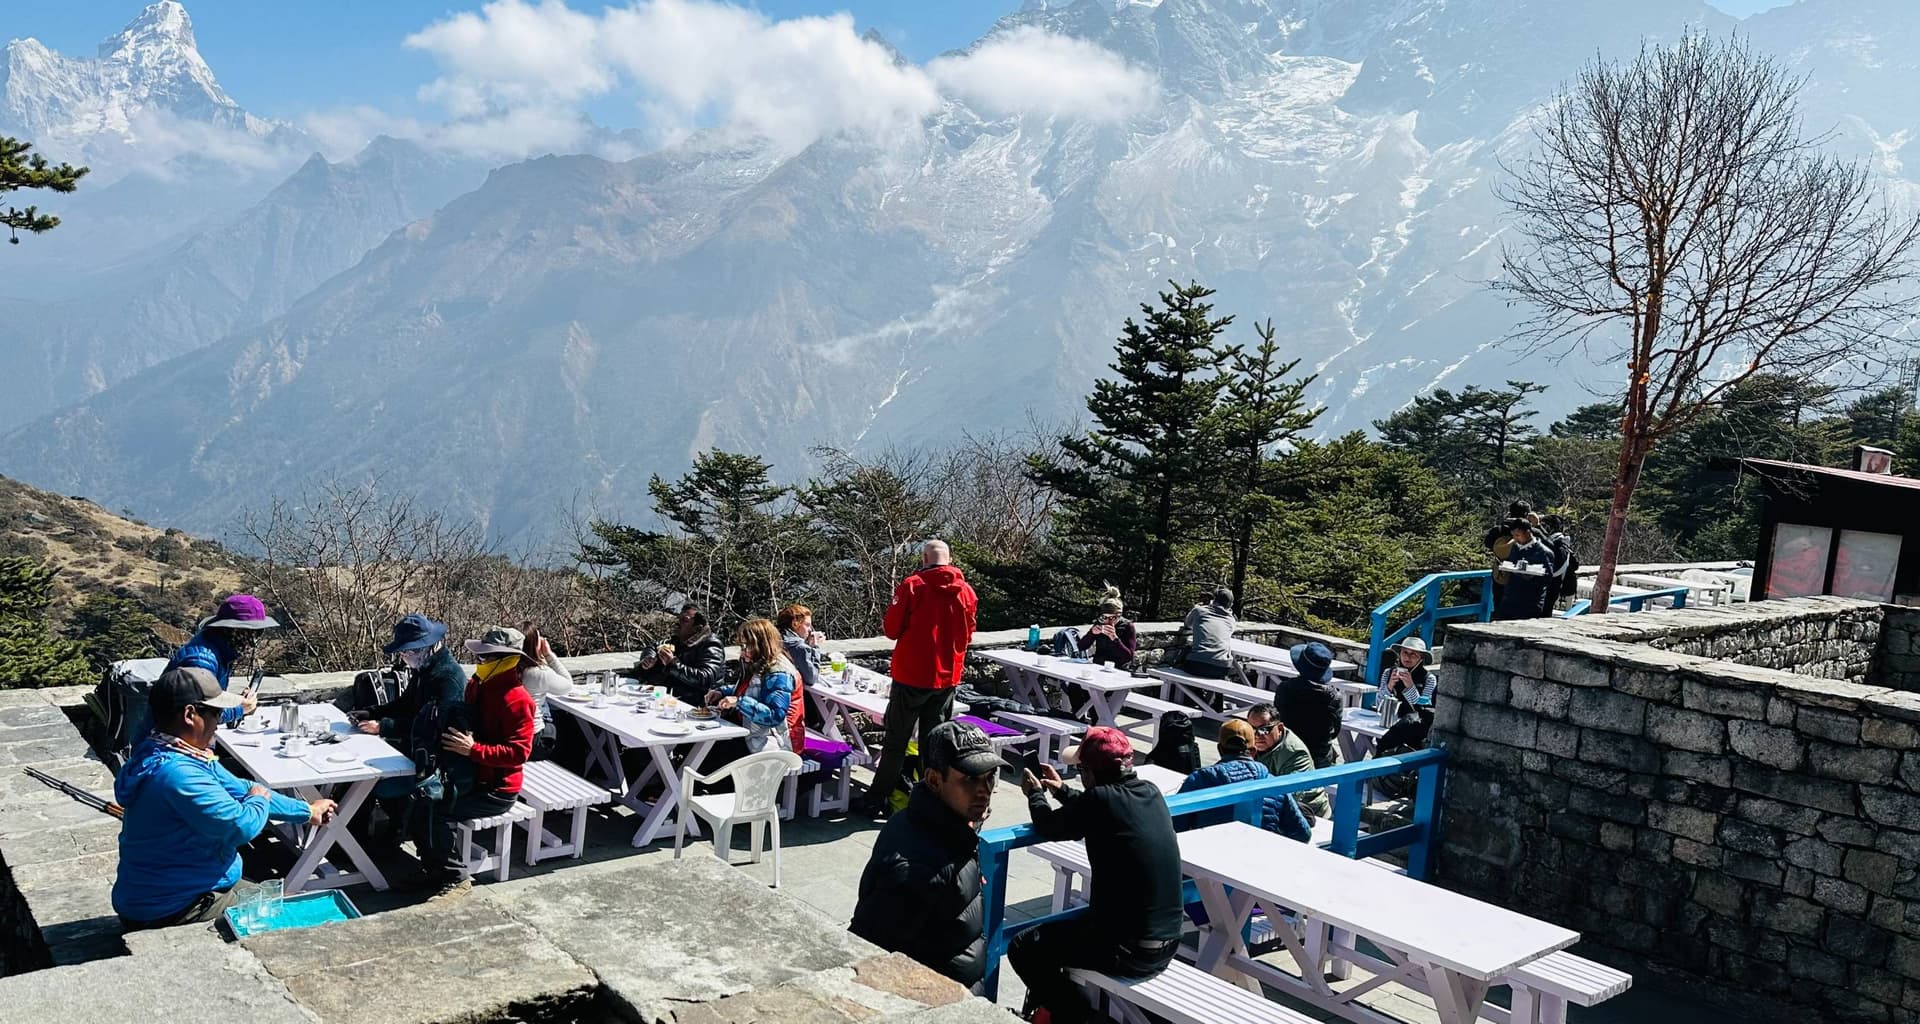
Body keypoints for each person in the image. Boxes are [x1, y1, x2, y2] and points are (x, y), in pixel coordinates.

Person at [112, 667, 336, 930]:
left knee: (275, 901)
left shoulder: (168, 750)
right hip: (172, 904)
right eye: (216, 713)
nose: (219, 722)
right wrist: (259, 801)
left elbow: (241, 788)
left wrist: (305, 810)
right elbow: (240, 826)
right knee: (294, 926)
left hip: (180, 885)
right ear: (190, 715)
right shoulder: (178, 774)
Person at [1011, 726, 1183, 1024]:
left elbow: (1049, 826)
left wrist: (1035, 795)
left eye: (1080, 769)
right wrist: (1062, 790)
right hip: (1168, 943)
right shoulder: (1150, 792)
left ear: (1091, 772)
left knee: (1024, 946)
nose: (1080, 775)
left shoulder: (1100, 801)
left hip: (1130, 952)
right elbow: (1098, 806)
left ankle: (1084, 1019)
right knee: (1065, 934)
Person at [849, 720, 998, 994]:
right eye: (970, 779)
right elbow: (869, 951)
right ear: (933, 780)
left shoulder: (948, 829)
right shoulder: (917, 867)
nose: (984, 790)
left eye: (990, 777)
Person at [418, 626, 537, 901]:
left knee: (434, 812)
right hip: (469, 777)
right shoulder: (477, 685)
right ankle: (433, 870)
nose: (480, 662)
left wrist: (473, 750)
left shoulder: (519, 701)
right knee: (417, 802)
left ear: (509, 660)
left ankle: (457, 879)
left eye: (488, 657)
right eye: (480, 656)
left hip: (497, 789)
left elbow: (519, 753)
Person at [864, 539, 978, 817]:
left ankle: (877, 799)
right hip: (947, 678)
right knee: (933, 745)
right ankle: (930, 801)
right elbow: (969, 632)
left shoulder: (913, 586)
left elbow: (891, 629)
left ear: (925, 559)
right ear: (949, 560)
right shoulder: (966, 592)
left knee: (896, 742)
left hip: (912, 676)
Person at [353, 614, 475, 838]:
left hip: (439, 765)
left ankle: (385, 835)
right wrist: (372, 711)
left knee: (374, 784)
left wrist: (384, 726)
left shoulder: (448, 678)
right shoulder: (425, 670)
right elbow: (406, 703)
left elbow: (436, 727)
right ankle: (387, 831)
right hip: (417, 751)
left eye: (409, 651)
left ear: (429, 648)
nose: (404, 656)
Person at [133, 593, 276, 744]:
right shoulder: (202, 662)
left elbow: (208, 701)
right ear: (236, 630)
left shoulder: (219, 648)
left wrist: (233, 702)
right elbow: (196, 716)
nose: (255, 639)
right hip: (167, 747)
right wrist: (240, 709)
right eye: (253, 632)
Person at [1177, 719, 1312, 842]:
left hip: (1209, 855)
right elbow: (1303, 834)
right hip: (1260, 859)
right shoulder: (1273, 784)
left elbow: (1175, 824)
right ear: (1253, 751)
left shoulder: (1199, 780)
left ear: (1220, 749)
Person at [711, 617, 806, 755]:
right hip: (755, 733)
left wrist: (739, 702)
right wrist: (722, 692)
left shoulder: (779, 673)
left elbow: (774, 716)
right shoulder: (761, 663)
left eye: (746, 646)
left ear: (761, 645)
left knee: (713, 753)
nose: (742, 652)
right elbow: (753, 691)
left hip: (779, 743)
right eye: (741, 647)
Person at [1245, 703, 1329, 821]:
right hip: (1269, 802)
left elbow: (1290, 794)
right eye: (1252, 729)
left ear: (1279, 728)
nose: (1257, 735)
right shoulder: (1248, 739)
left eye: (1264, 730)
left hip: (1308, 811)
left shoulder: (1296, 753)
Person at [636, 603, 729, 704]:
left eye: (684, 620)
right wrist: (649, 658)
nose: (678, 623)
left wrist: (673, 663)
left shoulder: (711, 644)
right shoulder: (678, 639)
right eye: (678, 618)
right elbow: (653, 647)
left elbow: (705, 678)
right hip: (671, 697)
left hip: (696, 703)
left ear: (697, 628)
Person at [1276, 642, 1342, 769]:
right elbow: (1335, 731)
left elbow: (1277, 720)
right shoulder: (1334, 697)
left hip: (1286, 752)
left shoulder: (1285, 688)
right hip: (1319, 758)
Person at [517, 624, 575, 761]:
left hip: (508, 736)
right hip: (533, 742)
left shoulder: (505, 670)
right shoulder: (538, 673)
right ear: (534, 644)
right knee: (570, 727)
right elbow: (567, 685)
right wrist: (549, 655)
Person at [1376, 637, 1437, 752]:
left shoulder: (1429, 679)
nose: (1407, 657)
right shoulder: (1388, 672)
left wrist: (1410, 687)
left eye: (1413, 654)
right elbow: (1378, 704)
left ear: (1421, 658)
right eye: (1404, 652)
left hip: (1411, 728)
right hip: (1387, 721)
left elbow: (1423, 709)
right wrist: (1389, 686)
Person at [777, 603, 829, 729]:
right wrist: (814, 647)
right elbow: (811, 678)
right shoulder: (798, 647)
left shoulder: (776, 639)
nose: (810, 629)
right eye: (807, 625)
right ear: (795, 624)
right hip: (793, 701)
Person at [1495, 519, 1555, 621]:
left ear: (1528, 532)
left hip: (1530, 602)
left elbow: (1548, 578)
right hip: (1510, 599)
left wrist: (1531, 577)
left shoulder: (1544, 552)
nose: (1515, 538)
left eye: (1518, 535)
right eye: (1513, 535)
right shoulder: (1515, 547)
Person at [1176, 587, 1237, 679]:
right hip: (1222, 667)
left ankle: (1192, 693)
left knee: (1184, 658)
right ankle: (1204, 693)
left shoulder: (1199, 610)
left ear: (1214, 600)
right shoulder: (1231, 620)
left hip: (1197, 664)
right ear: (1230, 605)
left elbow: (1188, 624)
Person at [1482, 502, 1532, 606]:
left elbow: (1488, 544)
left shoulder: (1498, 530)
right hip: (1523, 575)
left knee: (1499, 604)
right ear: (1527, 514)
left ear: (1510, 512)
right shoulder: (1530, 531)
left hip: (1501, 573)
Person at [1083, 585, 1137, 670]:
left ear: (1119, 616)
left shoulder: (1128, 626)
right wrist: (1091, 633)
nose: (1108, 621)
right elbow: (1081, 646)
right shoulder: (1100, 623)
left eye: (1113, 618)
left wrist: (1115, 639)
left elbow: (1128, 656)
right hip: (1098, 666)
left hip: (1119, 669)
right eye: (1105, 617)